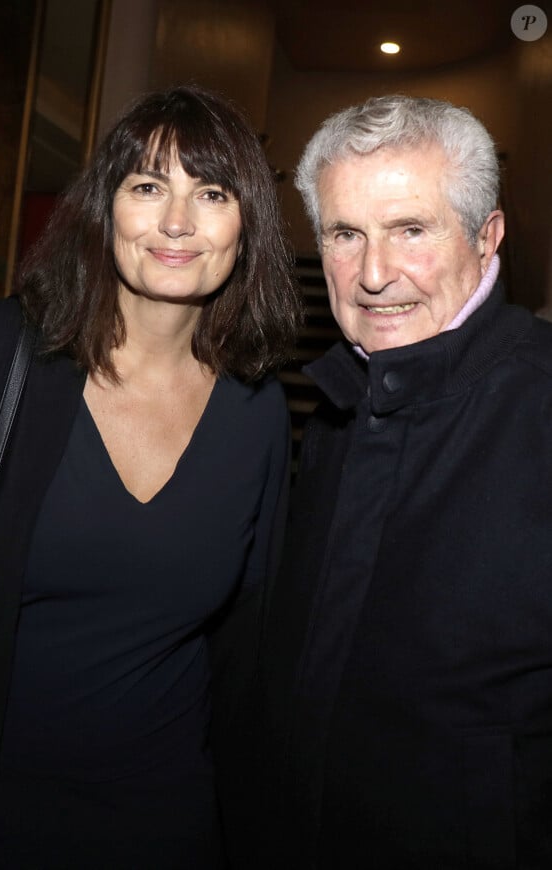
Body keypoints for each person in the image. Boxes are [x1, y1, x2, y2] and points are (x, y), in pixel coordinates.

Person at [0, 84, 301, 869]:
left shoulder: (258, 413)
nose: (177, 222)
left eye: (211, 193)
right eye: (148, 187)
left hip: (167, 826)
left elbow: (249, 653)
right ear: (104, 208)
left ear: (246, 223)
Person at [245, 95, 552, 868]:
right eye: (346, 235)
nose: (374, 275)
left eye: (411, 230)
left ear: (488, 238)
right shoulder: (340, 408)